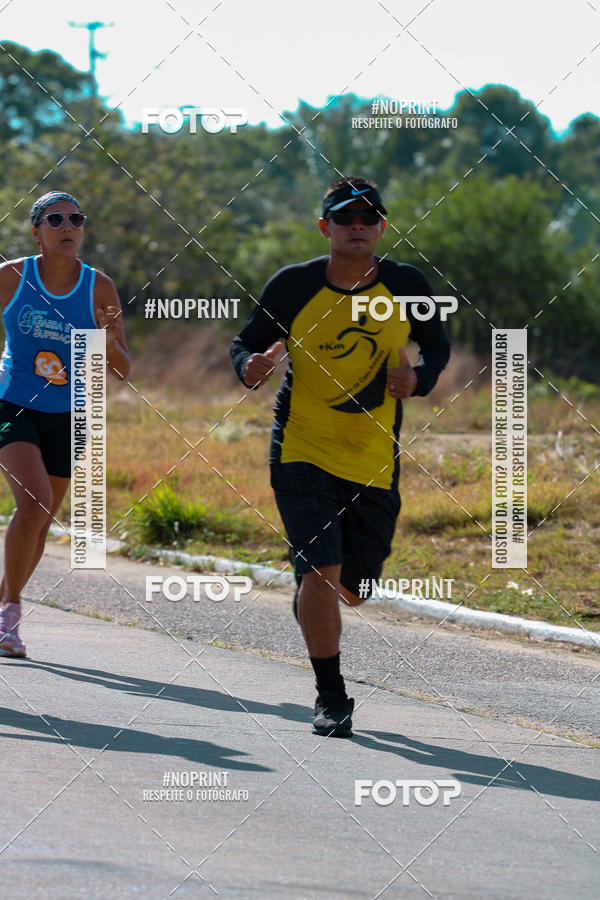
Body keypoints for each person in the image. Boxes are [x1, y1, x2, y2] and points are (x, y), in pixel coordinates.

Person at [230, 176, 450, 737]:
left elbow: (439, 344)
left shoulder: (406, 284)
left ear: (381, 227)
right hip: (301, 447)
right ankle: (331, 696)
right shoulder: (294, 285)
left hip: (373, 457)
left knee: (353, 588)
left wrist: (419, 378)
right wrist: (249, 366)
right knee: (323, 572)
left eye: (369, 217)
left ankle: (312, 595)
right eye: (345, 216)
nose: (358, 225)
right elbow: (244, 342)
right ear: (325, 225)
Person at [0, 191, 131, 658]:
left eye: (76, 218)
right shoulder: (13, 276)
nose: (67, 226)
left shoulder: (99, 288)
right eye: (54, 219)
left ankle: (2, 610)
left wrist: (110, 342)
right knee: (33, 501)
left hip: (70, 414)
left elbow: (121, 370)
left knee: (40, 519)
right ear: (36, 231)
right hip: (11, 401)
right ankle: (10, 612)